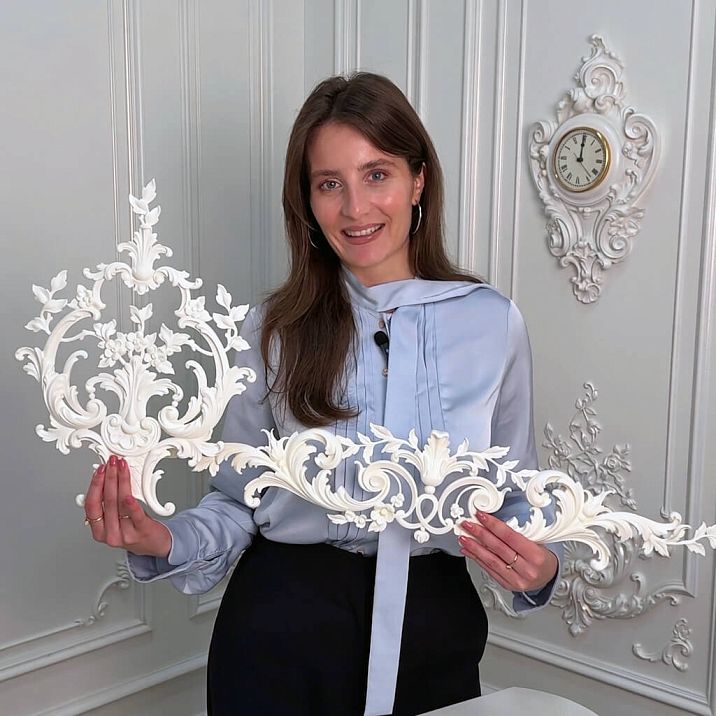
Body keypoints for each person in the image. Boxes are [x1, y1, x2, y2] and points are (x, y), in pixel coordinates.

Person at [82, 72, 560, 716]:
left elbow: (519, 494)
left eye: (377, 174)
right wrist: (162, 539)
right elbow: (239, 500)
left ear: (419, 180)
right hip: (281, 628)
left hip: (432, 627)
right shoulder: (271, 330)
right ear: (307, 202)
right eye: (329, 183)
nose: (356, 208)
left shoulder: (492, 323)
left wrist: (541, 568)